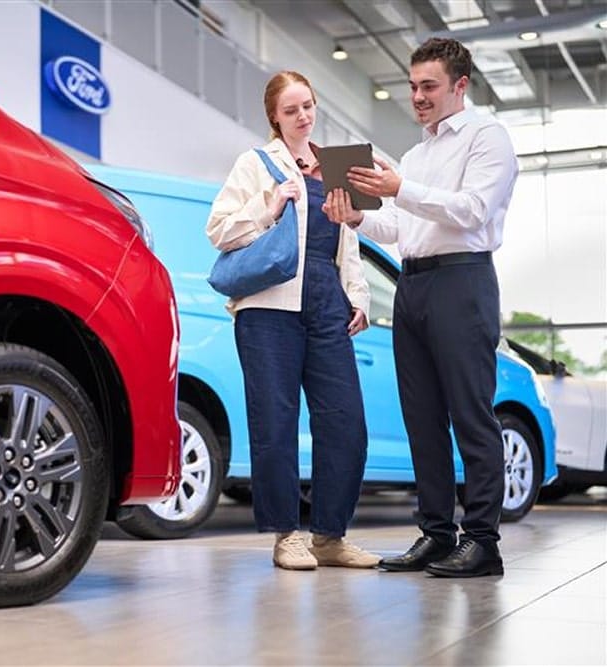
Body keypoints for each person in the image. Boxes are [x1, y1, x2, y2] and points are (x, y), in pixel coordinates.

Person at [323, 38, 518, 578]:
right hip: (414, 286)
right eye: (413, 86)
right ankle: (437, 534)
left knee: (471, 415)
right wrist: (356, 217)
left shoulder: (488, 138)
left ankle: (483, 541)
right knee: (422, 420)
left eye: (429, 86)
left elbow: (473, 212)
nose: (418, 97)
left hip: (463, 281)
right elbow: (404, 228)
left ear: (461, 86)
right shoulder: (415, 154)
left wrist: (401, 187)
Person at [206, 71, 380, 571]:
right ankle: (287, 534)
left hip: (327, 305)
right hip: (268, 309)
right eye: (291, 110)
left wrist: (359, 300)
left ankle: (329, 536)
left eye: (308, 106)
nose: (303, 116)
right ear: (274, 118)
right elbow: (218, 228)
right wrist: (271, 202)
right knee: (275, 423)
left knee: (346, 422)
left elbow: (352, 243)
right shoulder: (255, 163)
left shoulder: (340, 167)